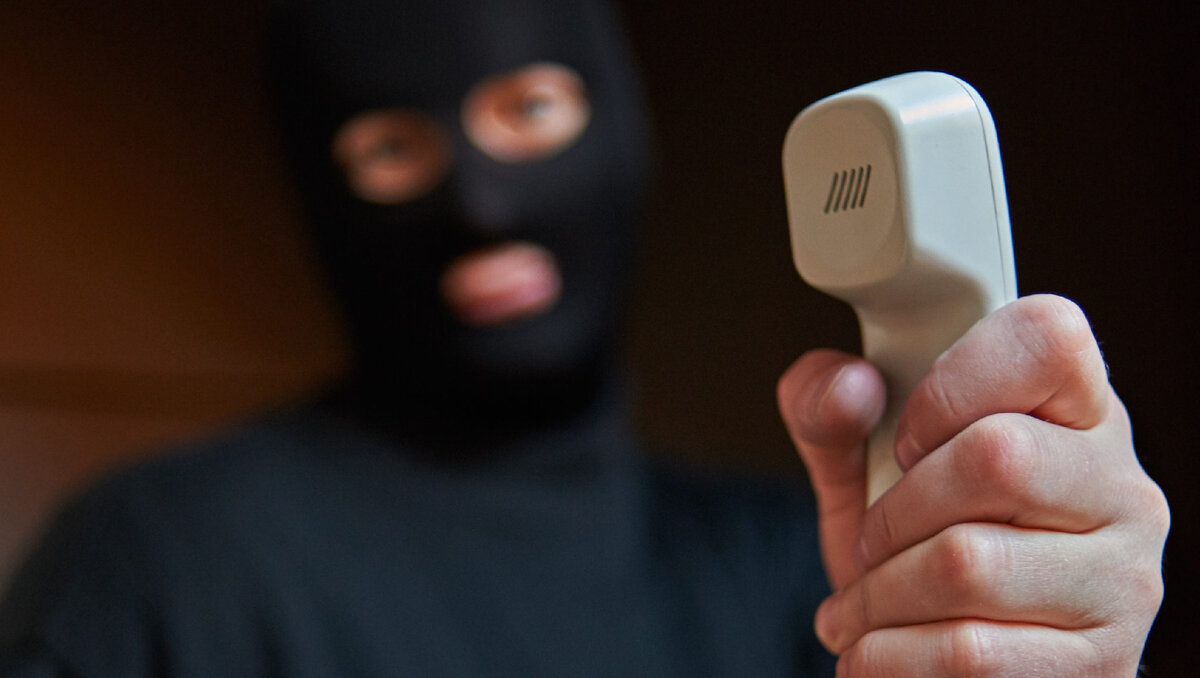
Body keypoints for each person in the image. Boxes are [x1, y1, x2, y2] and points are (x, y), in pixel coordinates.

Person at [0, 0, 1168, 675]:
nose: (481, 204)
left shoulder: (825, 572)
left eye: (530, 111)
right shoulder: (154, 566)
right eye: (393, 150)